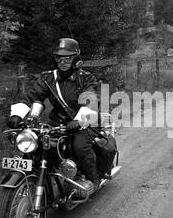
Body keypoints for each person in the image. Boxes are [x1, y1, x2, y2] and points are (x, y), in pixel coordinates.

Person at [7, 38, 102, 190]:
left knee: (79, 146)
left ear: (76, 59)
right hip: (58, 122)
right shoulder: (48, 78)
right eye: (59, 58)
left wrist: (79, 120)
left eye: (68, 58)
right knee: (38, 142)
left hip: (86, 121)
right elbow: (31, 95)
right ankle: (43, 177)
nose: (63, 62)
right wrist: (17, 115)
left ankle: (93, 179)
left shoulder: (85, 78)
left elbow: (90, 99)